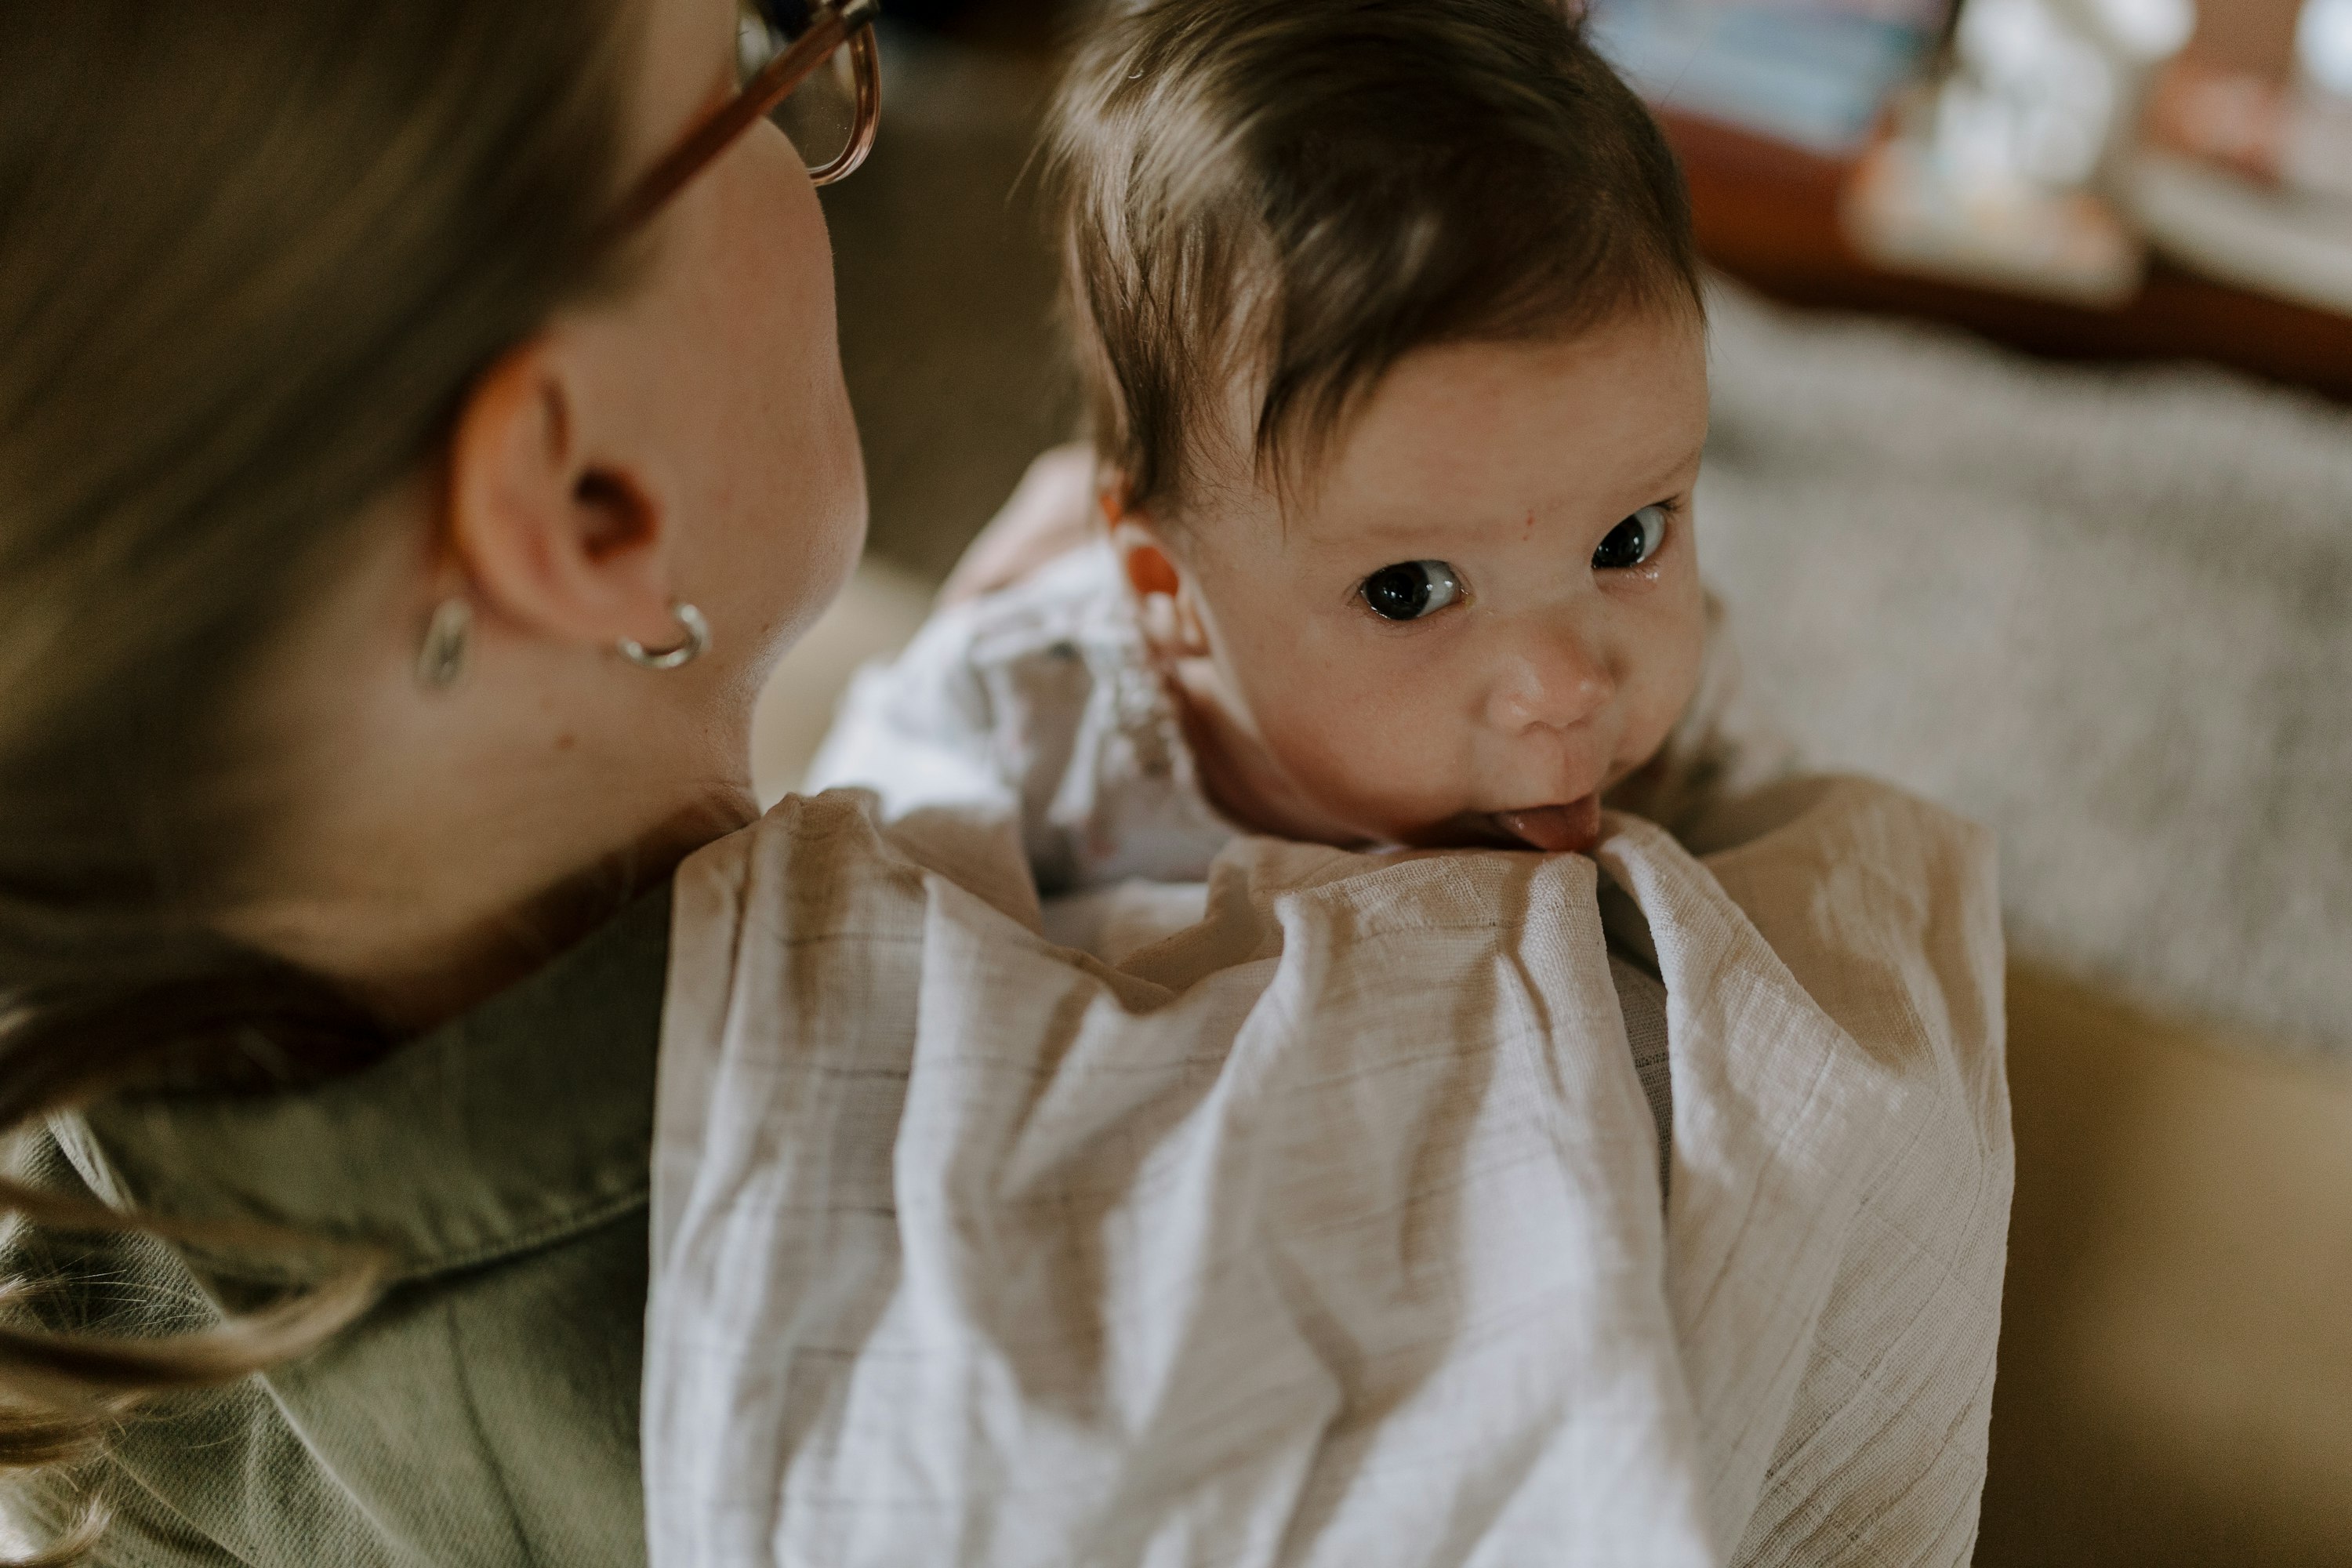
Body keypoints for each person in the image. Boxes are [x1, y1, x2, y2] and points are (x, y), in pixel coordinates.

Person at [638, 4, 2010, 1564]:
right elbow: (872, 976)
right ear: (1169, 596)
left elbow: (1767, 911)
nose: (1566, 680)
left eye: (1630, 538)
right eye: (1413, 591)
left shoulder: (1660, 710)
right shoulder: (1045, 717)